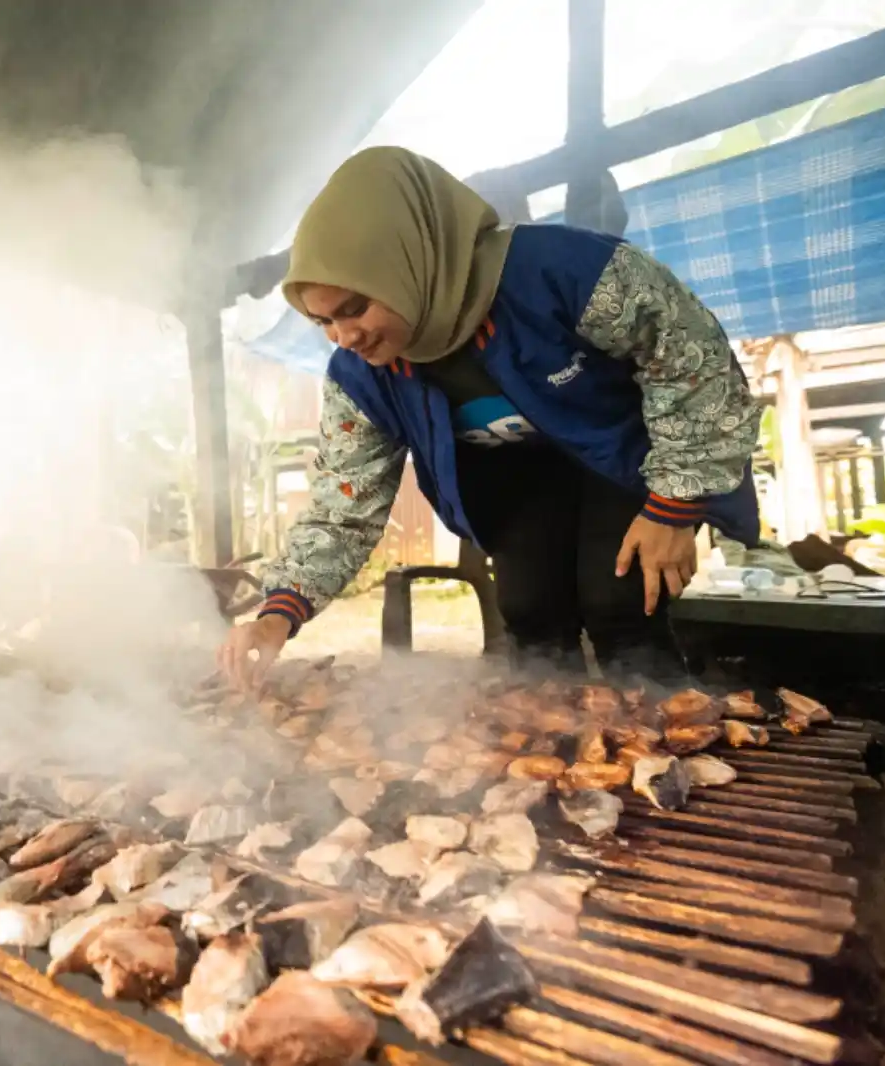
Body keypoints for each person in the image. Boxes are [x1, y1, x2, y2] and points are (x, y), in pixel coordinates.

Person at [218, 147, 760, 691]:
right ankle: (555, 744)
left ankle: (661, 741)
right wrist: (275, 618)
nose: (345, 337)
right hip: (516, 481)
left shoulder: (571, 273)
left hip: (622, 458)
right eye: (323, 322)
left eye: (356, 308)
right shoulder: (360, 376)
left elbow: (697, 368)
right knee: (530, 611)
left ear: (410, 261)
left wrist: (672, 508)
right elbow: (343, 506)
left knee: (620, 602)